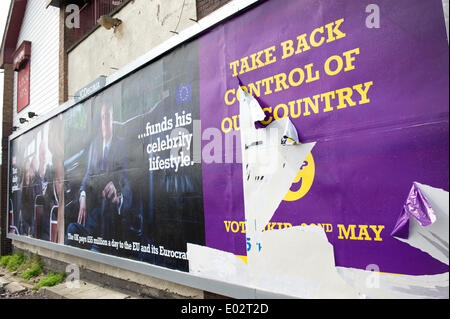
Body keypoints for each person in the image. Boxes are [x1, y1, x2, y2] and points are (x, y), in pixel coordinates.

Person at [67, 102, 132, 253]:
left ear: (112, 119)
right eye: (102, 118)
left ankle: (98, 248)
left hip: (110, 217)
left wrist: (119, 198)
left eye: (107, 117)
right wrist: (82, 196)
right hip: (93, 217)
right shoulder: (94, 146)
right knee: (71, 229)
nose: (105, 121)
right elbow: (87, 176)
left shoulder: (121, 145)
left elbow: (127, 181)